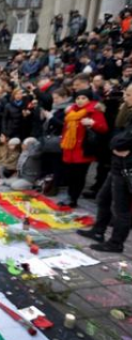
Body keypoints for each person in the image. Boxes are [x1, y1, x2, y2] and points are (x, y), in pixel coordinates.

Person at [77, 84, 132, 252]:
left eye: (129, 94)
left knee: (121, 207)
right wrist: (116, 144)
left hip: (126, 166)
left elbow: (122, 140)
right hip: (116, 163)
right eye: (126, 93)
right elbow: (115, 137)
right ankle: (98, 231)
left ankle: (116, 243)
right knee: (103, 198)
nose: (125, 97)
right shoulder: (125, 110)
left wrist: (118, 144)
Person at [59, 89, 109, 208]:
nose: (80, 101)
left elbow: (104, 128)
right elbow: (65, 129)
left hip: (83, 149)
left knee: (79, 175)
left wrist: (92, 123)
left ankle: (73, 198)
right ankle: (70, 195)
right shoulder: (71, 111)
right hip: (69, 148)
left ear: (89, 99)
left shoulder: (94, 111)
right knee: (70, 174)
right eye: (78, 98)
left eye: (83, 98)